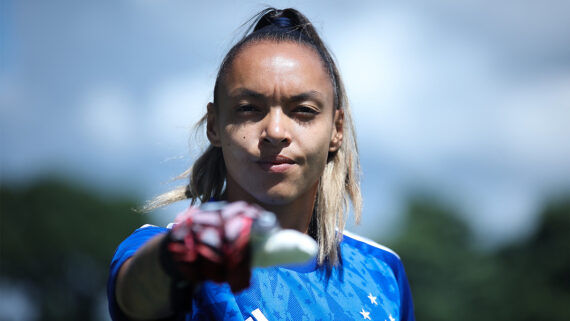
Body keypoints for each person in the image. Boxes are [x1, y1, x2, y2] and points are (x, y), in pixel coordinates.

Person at [108, 8, 415, 321]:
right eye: (249, 108)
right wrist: (178, 256)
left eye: (304, 111)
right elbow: (137, 296)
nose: (276, 132)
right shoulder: (166, 251)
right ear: (214, 125)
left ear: (336, 129)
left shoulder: (383, 273)